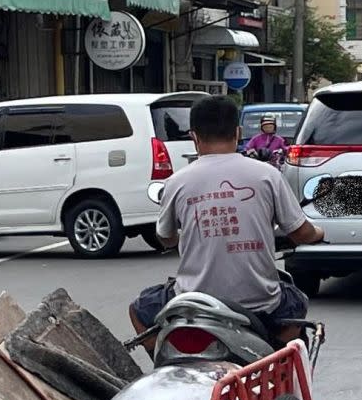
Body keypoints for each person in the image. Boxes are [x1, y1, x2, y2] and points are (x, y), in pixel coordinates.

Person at [129, 96, 325, 354]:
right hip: (261, 304)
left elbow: (166, 238)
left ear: (194, 137)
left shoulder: (177, 182)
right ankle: (276, 360)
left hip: (194, 303)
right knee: (296, 301)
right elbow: (300, 232)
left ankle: (166, 359)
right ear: (238, 132)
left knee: (139, 308)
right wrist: (318, 233)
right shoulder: (267, 175)